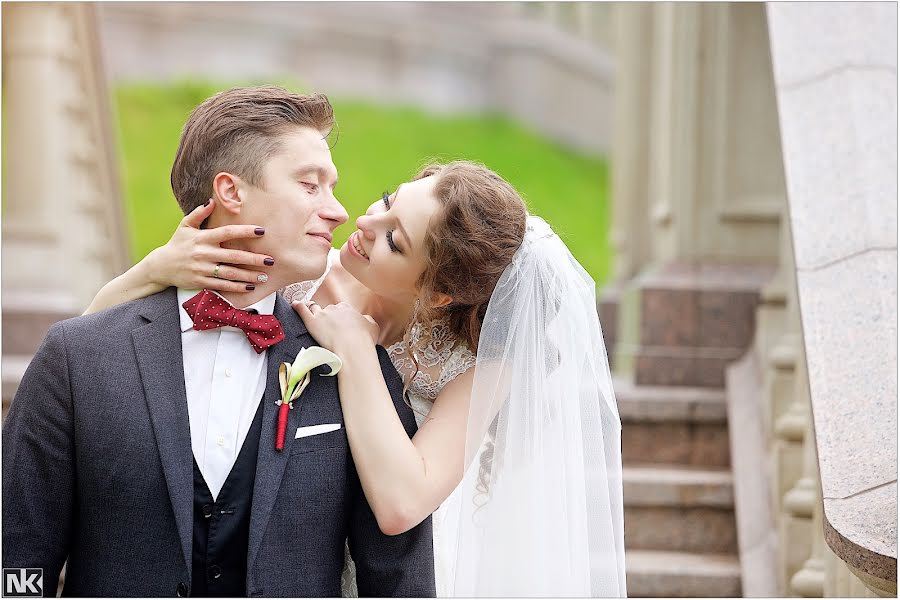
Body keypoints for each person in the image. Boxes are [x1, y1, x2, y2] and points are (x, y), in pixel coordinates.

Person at [86, 152, 628, 596]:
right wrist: (153, 268)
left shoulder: (478, 367)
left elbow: (401, 504)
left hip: (387, 573)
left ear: (438, 293)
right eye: (389, 202)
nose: (364, 224)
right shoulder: (301, 270)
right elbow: (90, 342)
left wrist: (356, 351)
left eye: (396, 240)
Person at [2, 86, 436, 597]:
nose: (339, 212)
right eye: (310, 185)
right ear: (231, 192)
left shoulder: (352, 367)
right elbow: (17, 560)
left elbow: (398, 577)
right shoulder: (80, 357)